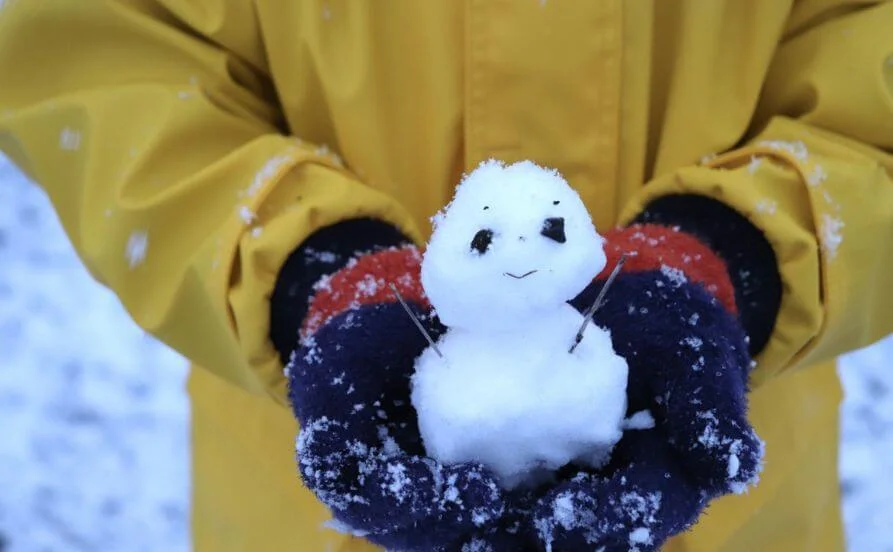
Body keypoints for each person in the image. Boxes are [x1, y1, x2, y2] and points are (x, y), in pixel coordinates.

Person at [1, 1, 891, 550]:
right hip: (308, 505)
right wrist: (303, 275)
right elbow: (104, 52)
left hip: (725, 504)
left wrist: (730, 260)